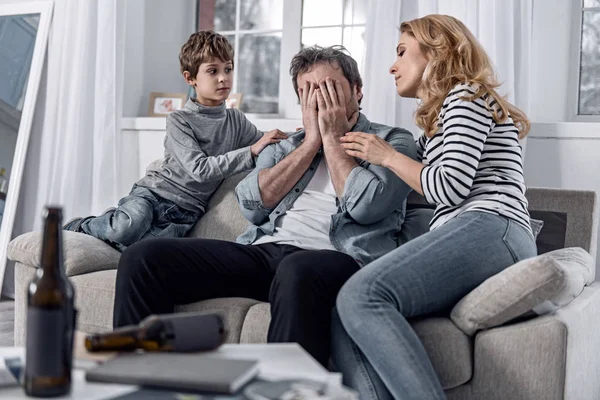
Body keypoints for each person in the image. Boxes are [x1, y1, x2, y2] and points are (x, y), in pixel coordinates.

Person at [112, 45, 418, 367]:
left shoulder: (392, 141)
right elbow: (252, 206)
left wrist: (331, 139)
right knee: (144, 258)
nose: (319, 101)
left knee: (297, 269)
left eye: (329, 89)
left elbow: (367, 208)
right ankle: (138, 379)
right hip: (266, 254)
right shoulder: (287, 145)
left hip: (339, 260)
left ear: (357, 91)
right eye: (309, 92)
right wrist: (311, 142)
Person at [331, 14, 537, 399]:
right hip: (476, 232)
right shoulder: (439, 125)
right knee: (343, 312)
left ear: (436, 52)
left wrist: (388, 156)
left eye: (402, 52)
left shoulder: (466, 95)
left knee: (362, 295)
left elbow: (449, 186)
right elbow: (409, 185)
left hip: (492, 226)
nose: (391, 66)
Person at [63, 31, 286, 250]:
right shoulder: (179, 120)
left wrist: (300, 134)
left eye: (228, 69)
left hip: (186, 213)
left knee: (141, 251)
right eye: (212, 71)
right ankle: (81, 226)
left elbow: (268, 143)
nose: (223, 78)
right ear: (190, 78)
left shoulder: (236, 120)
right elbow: (199, 169)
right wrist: (250, 152)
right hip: (153, 195)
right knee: (127, 227)